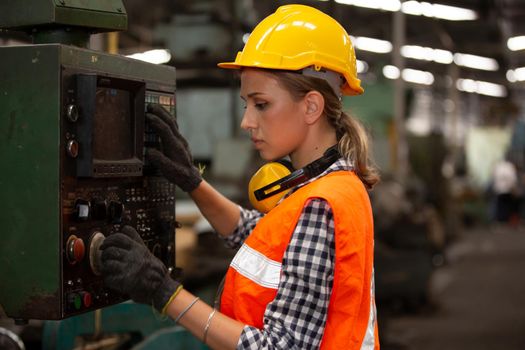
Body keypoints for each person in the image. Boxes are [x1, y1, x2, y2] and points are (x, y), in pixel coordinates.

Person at [100, 4, 380, 349]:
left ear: (311, 106)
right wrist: (193, 181)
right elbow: (256, 234)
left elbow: (278, 347)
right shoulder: (332, 185)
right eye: (246, 104)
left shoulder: (320, 205)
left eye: (261, 104)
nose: (247, 121)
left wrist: (165, 293)